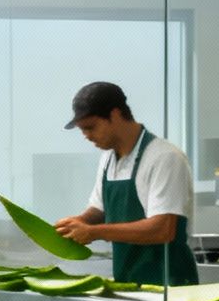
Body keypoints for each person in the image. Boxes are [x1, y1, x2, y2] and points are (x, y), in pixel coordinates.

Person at [51, 81, 200, 288]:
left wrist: (93, 232)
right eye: (82, 130)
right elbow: (99, 208)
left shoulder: (165, 157)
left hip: (170, 285)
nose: (86, 136)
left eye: (91, 127)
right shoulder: (107, 159)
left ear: (115, 115)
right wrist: (78, 222)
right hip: (128, 282)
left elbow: (163, 228)